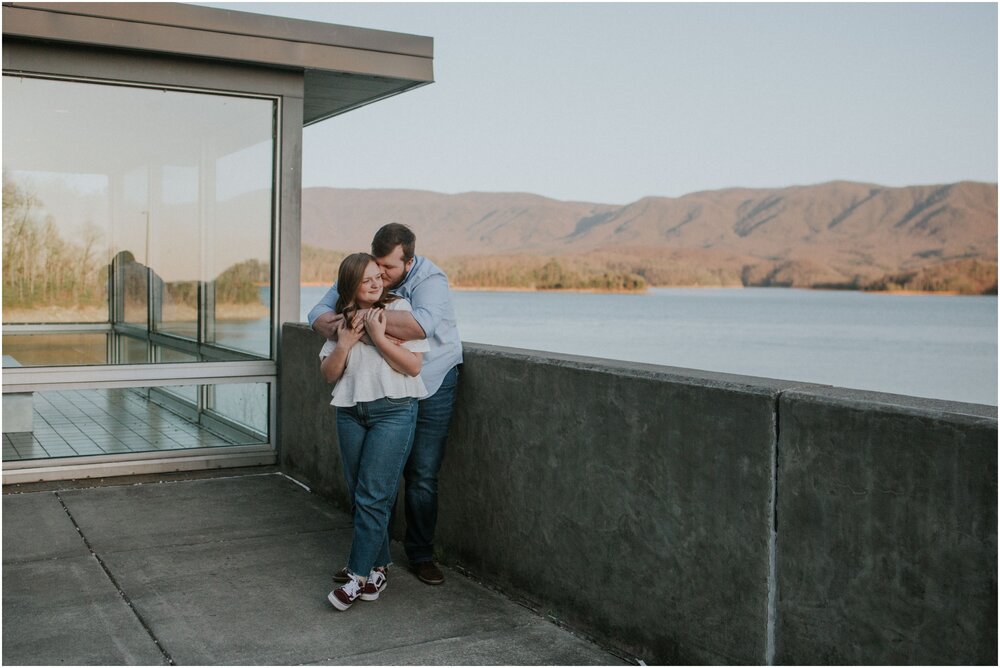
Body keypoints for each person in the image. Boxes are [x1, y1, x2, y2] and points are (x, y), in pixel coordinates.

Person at [309, 223, 463, 585]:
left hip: (433, 379)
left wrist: (359, 316)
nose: (381, 276)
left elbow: (419, 327)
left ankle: (421, 555)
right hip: (378, 390)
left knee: (422, 474)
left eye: (389, 269)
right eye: (376, 268)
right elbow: (316, 313)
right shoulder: (369, 274)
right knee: (373, 481)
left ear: (408, 262)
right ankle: (374, 561)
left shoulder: (430, 281)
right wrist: (347, 327)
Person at [320, 252, 430, 611]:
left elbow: (413, 366)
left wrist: (380, 339)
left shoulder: (398, 310)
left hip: (394, 411)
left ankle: (356, 577)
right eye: (366, 278)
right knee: (361, 495)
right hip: (350, 411)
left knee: (373, 495)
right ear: (350, 282)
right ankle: (379, 567)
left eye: (378, 278)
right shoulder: (342, 320)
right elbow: (329, 374)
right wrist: (346, 343)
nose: (375, 282)